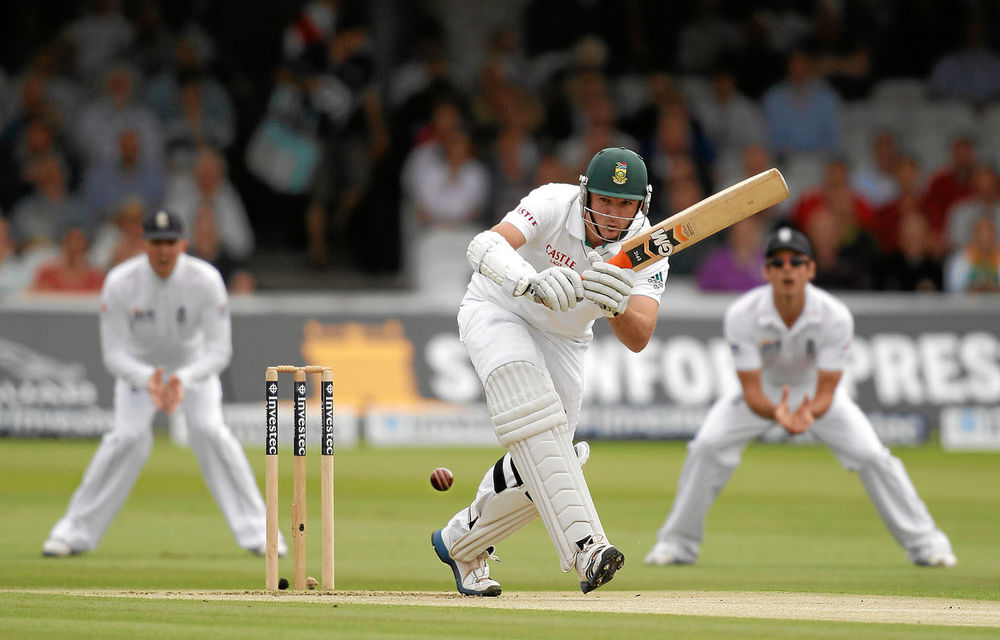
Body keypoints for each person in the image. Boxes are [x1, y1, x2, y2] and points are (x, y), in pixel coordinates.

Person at [431, 147, 669, 596]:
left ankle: (461, 541)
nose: (615, 214)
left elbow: (638, 337)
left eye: (625, 204)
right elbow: (485, 244)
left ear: (642, 203)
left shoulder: (647, 246)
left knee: (550, 457)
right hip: (499, 309)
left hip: (567, 340)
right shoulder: (552, 202)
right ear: (585, 194)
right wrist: (529, 280)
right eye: (604, 200)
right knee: (535, 417)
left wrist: (616, 305)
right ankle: (588, 550)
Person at [644, 227, 956, 569]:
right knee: (707, 446)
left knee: (871, 455)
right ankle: (677, 544)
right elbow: (750, 391)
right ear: (766, 272)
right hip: (764, 390)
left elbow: (827, 389)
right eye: (778, 262)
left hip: (813, 392)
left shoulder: (834, 316)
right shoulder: (743, 314)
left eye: (796, 261)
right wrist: (778, 412)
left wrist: (808, 413)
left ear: (810, 269)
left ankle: (927, 544)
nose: (787, 269)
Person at [42, 209, 284, 558]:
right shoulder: (121, 282)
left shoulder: (206, 279)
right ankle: (73, 532)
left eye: (170, 242)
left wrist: (183, 379)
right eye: (156, 243)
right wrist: (148, 379)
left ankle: (260, 534)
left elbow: (219, 351)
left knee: (210, 431)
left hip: (193, 369)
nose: (164, 251)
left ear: (183, 243)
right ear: (143, 245)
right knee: (127, 438)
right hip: (141, 373)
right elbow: (113, 354)